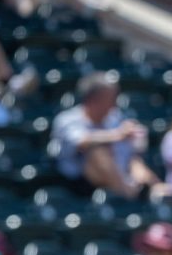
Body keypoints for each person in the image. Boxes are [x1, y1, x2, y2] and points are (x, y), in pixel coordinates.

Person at [52, 72, 163, 200]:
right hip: (81, 185)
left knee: (136, 162)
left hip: (123, 175)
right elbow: (81, 142)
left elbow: (134, 149)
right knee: (98, 151)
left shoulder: (115, 117)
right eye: (110, 98)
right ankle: (129, 197)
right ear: (92, 100)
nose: (114, 104)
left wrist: (134, 133)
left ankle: (156, 190)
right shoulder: (67, 119)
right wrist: (117, 135)